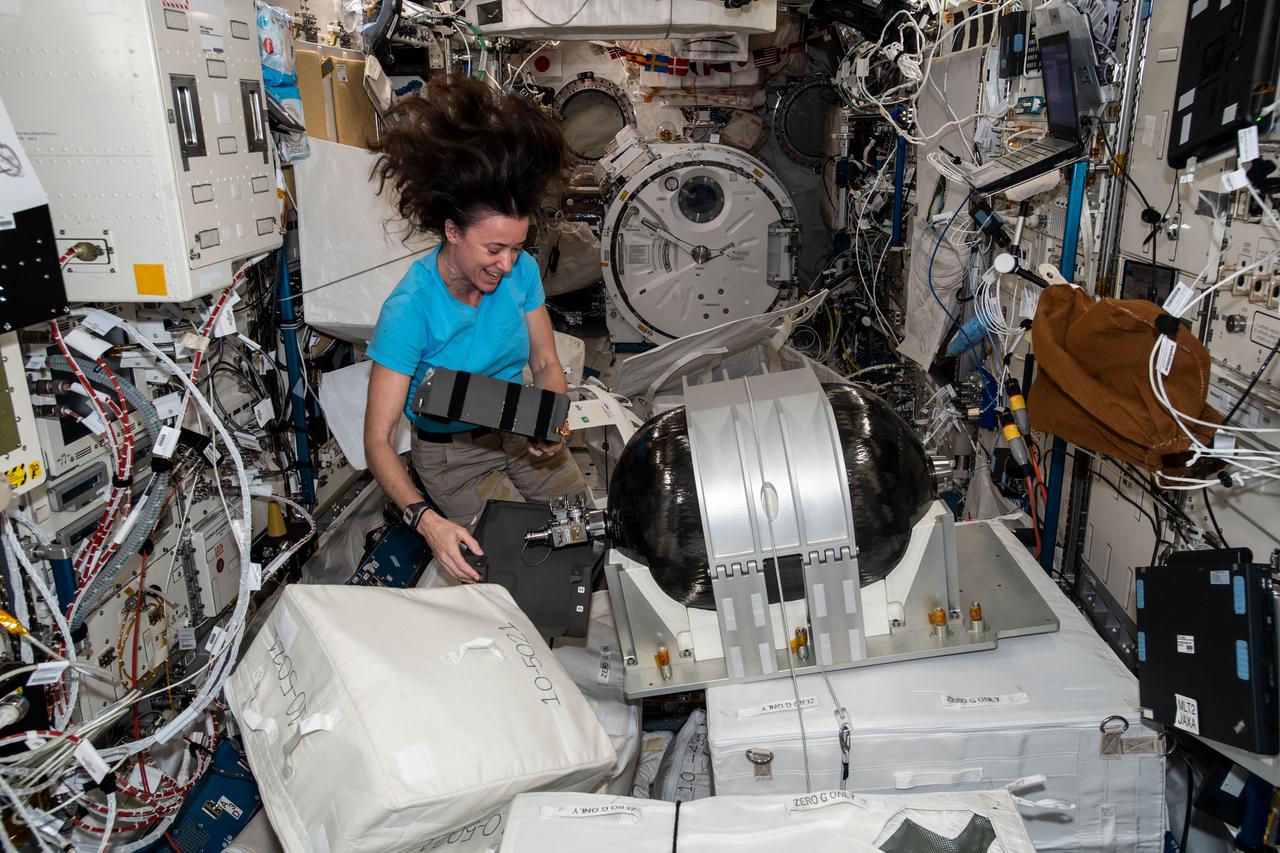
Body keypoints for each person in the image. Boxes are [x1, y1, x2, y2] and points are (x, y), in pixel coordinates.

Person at [363, 74, 587, 583]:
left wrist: (549, 422)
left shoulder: (522, 273)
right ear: (451, 231)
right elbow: (377, 441)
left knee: (580, 532)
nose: (508, 264)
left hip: (517, 425)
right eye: (493, 250)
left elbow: (547, 363)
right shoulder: (410, 309)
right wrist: (426, 521)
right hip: (453, 457)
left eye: (515, 248)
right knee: (519, 568)